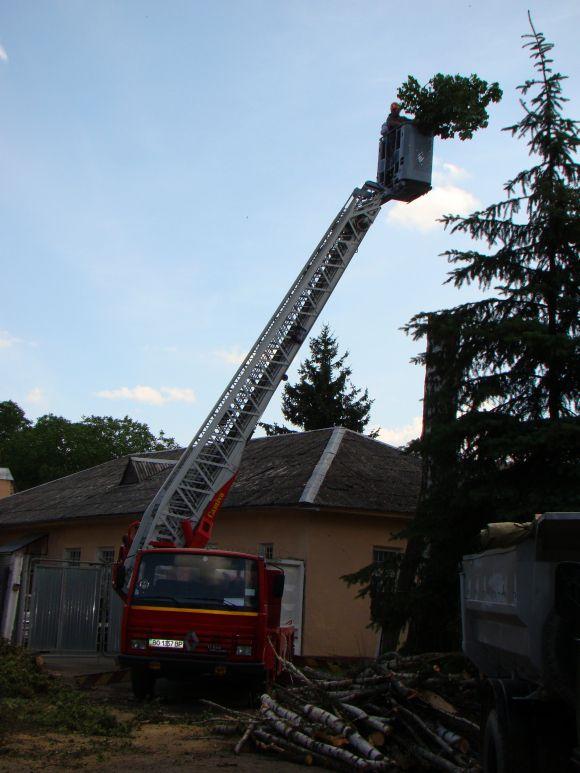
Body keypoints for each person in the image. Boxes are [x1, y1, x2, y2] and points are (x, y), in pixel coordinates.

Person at [377, 102, 412, 187]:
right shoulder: (389, 119)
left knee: (399, 159)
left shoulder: (402, 118)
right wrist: (401, 125)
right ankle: (390, 177)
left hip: (401, 144)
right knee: (392, 161)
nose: (395, 111)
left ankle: (398, 173)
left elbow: (411, 122)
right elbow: (391, 123)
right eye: (393, 109)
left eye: (396, 109)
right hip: (392, 144)